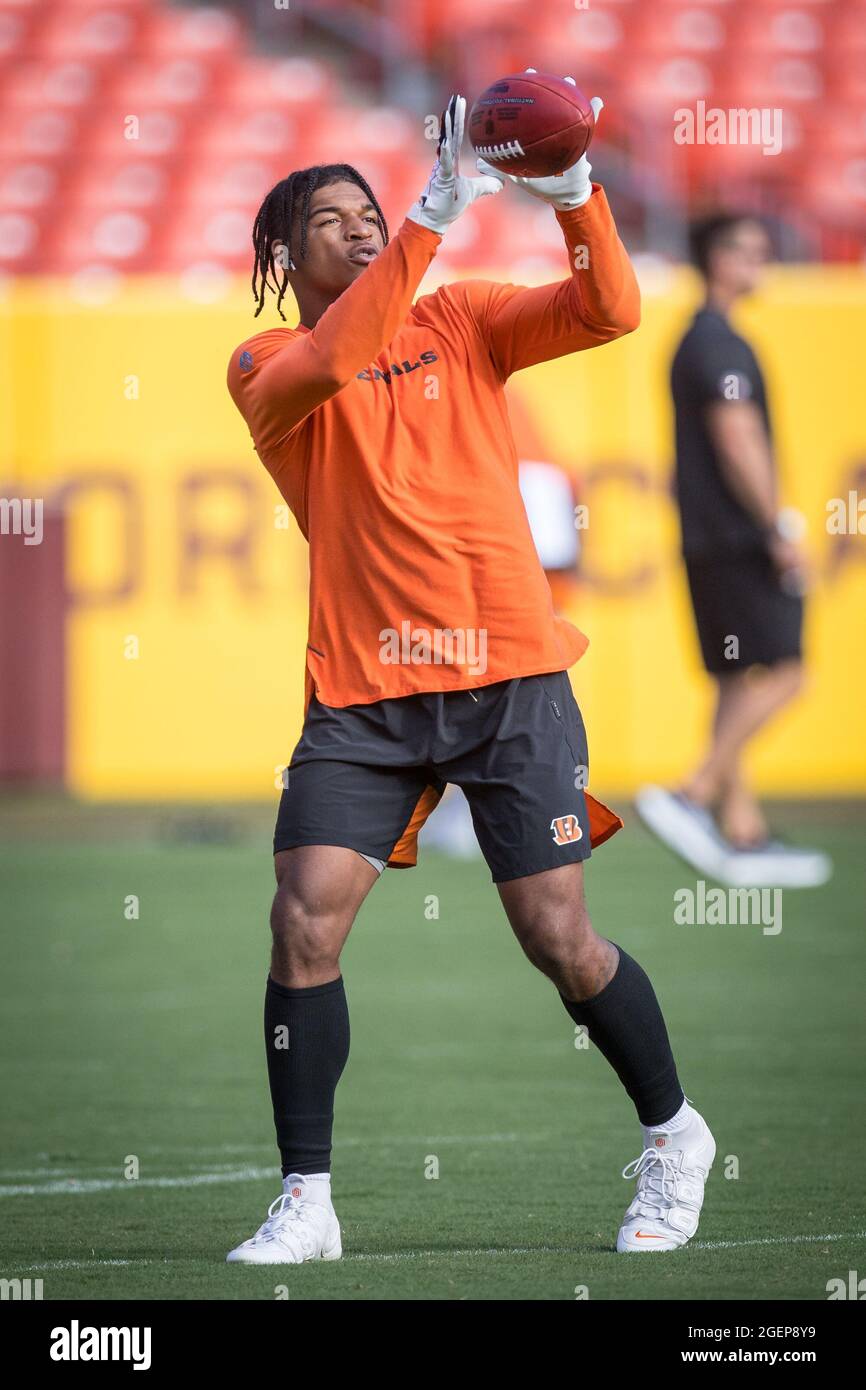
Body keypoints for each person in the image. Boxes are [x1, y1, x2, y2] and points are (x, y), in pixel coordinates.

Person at [224, 92, 715, 1264]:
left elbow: (611, 308)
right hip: (362, 690)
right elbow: (334, 357)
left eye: (370, 212)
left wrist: (573, 192)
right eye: (331, 220)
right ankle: (308, 1200)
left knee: (559, 938)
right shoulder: (264, 360)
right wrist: (430, 221)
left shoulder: (463, 320)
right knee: (302, 924)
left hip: (507, 674)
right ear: (281, 256)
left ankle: (673, 1134)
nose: (358, 227)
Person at [637, 214, 831, 889]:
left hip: (709, 540)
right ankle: (691, 794)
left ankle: (740, 828)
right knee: (786, 672)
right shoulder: (718, 342)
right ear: (717, 259)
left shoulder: (698, 338)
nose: (762, 262)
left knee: (735, 677)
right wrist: (777, 523)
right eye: (749, 251)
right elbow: (737, 435)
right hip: (738, 539)